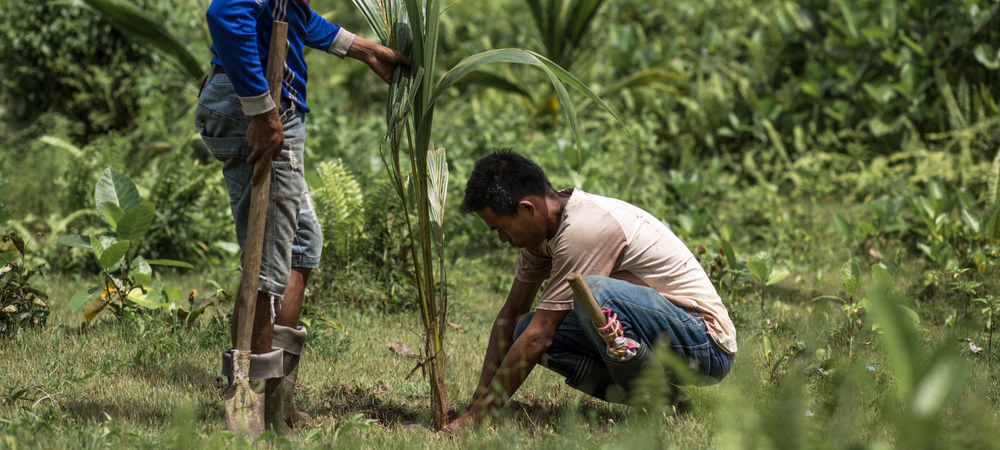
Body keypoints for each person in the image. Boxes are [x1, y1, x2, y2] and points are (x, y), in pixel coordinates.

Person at [194, 0, 409, 435]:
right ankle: (251, 418)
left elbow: (288, 14)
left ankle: (279, 399)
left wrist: (363, 49)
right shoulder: (258, 104)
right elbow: (225, 15)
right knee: (266, 268)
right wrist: (261, 110)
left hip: (270, 104)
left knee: (301, 244)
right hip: (254, 105)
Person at [448, 149, 737, 429]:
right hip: (664, 337)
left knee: (594, 293)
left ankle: (656, 399)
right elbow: (512, 312)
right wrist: (480, 398)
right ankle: (669, 402)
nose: (501, 239)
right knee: (523, 326)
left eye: (502, 228)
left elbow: (541, 336)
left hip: (704, 345)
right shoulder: (541, 235)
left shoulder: (584, 229)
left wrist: (476, 418)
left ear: (527, 208)